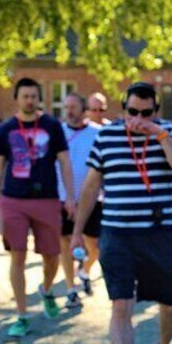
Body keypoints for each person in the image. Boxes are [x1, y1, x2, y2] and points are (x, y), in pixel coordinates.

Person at [70, 82, 172, 344]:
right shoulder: (107, 136)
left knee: (171, 306)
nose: (139, 119)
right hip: (118, 235)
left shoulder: (169, 132)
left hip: (160, 232)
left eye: (146, 113)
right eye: (133, 112)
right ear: (123, 109)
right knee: (121, 307)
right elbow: (90, 187)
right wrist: (77, 231)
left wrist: (159, 135)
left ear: (155, 110)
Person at [0, 78, 76, 337]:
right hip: (13, 199)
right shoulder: (6, 129)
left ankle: (46, 289)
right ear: (17, 98)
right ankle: (22, 314)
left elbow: (65, 162)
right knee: (18, 255)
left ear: (39, 99)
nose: (29, 100)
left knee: (52, 255)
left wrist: (70, 197)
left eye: (33, 96)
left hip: (47, 199)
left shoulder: (52, 126)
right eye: (25, 96)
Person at [57, 92, 101, 309]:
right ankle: (70, 288)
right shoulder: (58, 133)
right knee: (65, 242)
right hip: (63, 197)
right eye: (66, 107)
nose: (69, 111)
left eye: (74, 107)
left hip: (93, 199)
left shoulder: (97, 133)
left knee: (95, 244)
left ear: (84, 109)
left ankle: (84, 270)